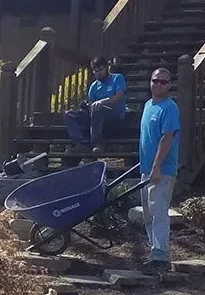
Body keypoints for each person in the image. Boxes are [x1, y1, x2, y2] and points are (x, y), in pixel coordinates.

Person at [138, 66, 180, 271]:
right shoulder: (148, 105)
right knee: (148, 215)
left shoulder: (169, 108)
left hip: (162, 170)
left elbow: (167, 138)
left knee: (159, 212)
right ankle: (156, 253)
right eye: (155, 80)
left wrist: (156, 167)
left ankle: (161, 257)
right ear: (150, 82)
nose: (158, 84)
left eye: (163, 82)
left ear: (169, 85)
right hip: (146, 168)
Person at [66, 57, 128, 142]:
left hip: (114, 115)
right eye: (96, 71)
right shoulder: (94, 86)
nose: (99, 73)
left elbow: (118, 96)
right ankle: (78, 142)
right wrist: (86, 105)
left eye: (101, 70)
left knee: (98, 110)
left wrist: (101, 102)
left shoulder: (117, 78)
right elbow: (91, 102)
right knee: (69, 114)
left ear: (107, 68)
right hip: (95, 116)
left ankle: (97, 143)